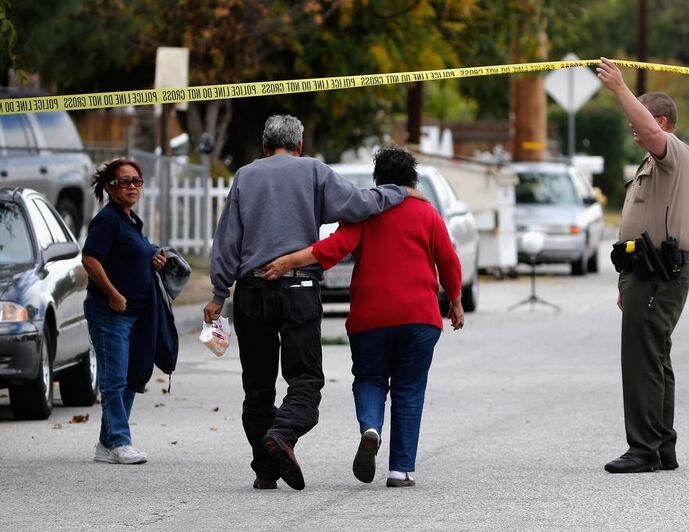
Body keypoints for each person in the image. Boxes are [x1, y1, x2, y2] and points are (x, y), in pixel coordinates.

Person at [204, 115, 423, 491]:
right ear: (300, 145)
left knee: (257, 387)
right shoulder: (313, 172)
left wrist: (218, 293)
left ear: (263, 144)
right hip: (297, 287)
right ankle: (284, 434)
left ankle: (265, 469)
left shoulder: (245, 176)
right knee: (305, 380)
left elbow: (227, 240)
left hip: (251, 291)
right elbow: (358, 204)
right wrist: (399, 192)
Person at [263, 147, 464, 488]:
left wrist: (287, 262)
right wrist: (455, 301)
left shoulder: (364, 213)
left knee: (370, 379)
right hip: (420, 318)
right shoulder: (429, 215)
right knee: (409, 389)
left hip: (371, 317)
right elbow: (449, 261)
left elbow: (331, 249)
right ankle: (400, 470)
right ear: (411, 179)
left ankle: (371, 427)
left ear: (378, 180)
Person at [596, 58, 689, 473]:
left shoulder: (671, 151)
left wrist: (620, 89)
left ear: (659, 121)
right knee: (655, 357)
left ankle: (644, 449)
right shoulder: (652, 164)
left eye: (638, 123)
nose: (633, 132)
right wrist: (625, 281)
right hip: (642, 273)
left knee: (641, 359)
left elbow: (652, 132)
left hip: (658, 273)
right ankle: (662, 447)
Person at [82, 158, 168, 465]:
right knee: (114, 379)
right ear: (110, 188)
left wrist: (152, 260)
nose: (132, 186)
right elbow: (90, 259)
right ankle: (119, 440)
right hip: (111, 312)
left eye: (137, 181)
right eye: (124, 182)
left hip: (136, 313)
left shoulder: (130, 220)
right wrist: (114, 294)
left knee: (131, 376)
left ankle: (107, 444)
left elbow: (129, 256)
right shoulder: (107, 221)